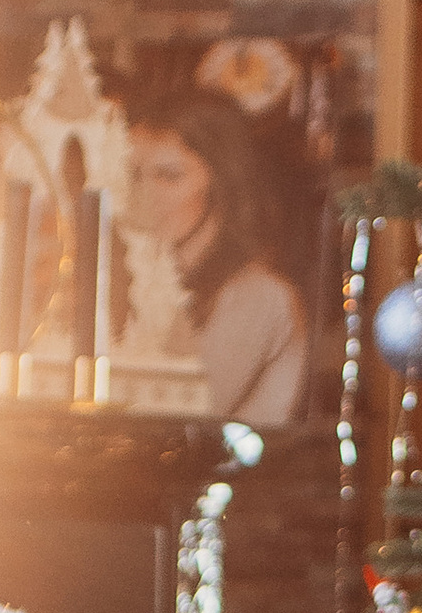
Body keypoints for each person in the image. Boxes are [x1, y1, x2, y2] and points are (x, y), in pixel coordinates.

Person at [127, 93, 309, 421]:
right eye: (135, 175)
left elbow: (179, 415)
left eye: (169, 176)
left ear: (221, 184)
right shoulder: (142, 287)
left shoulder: (260, 296)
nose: (144, 196)